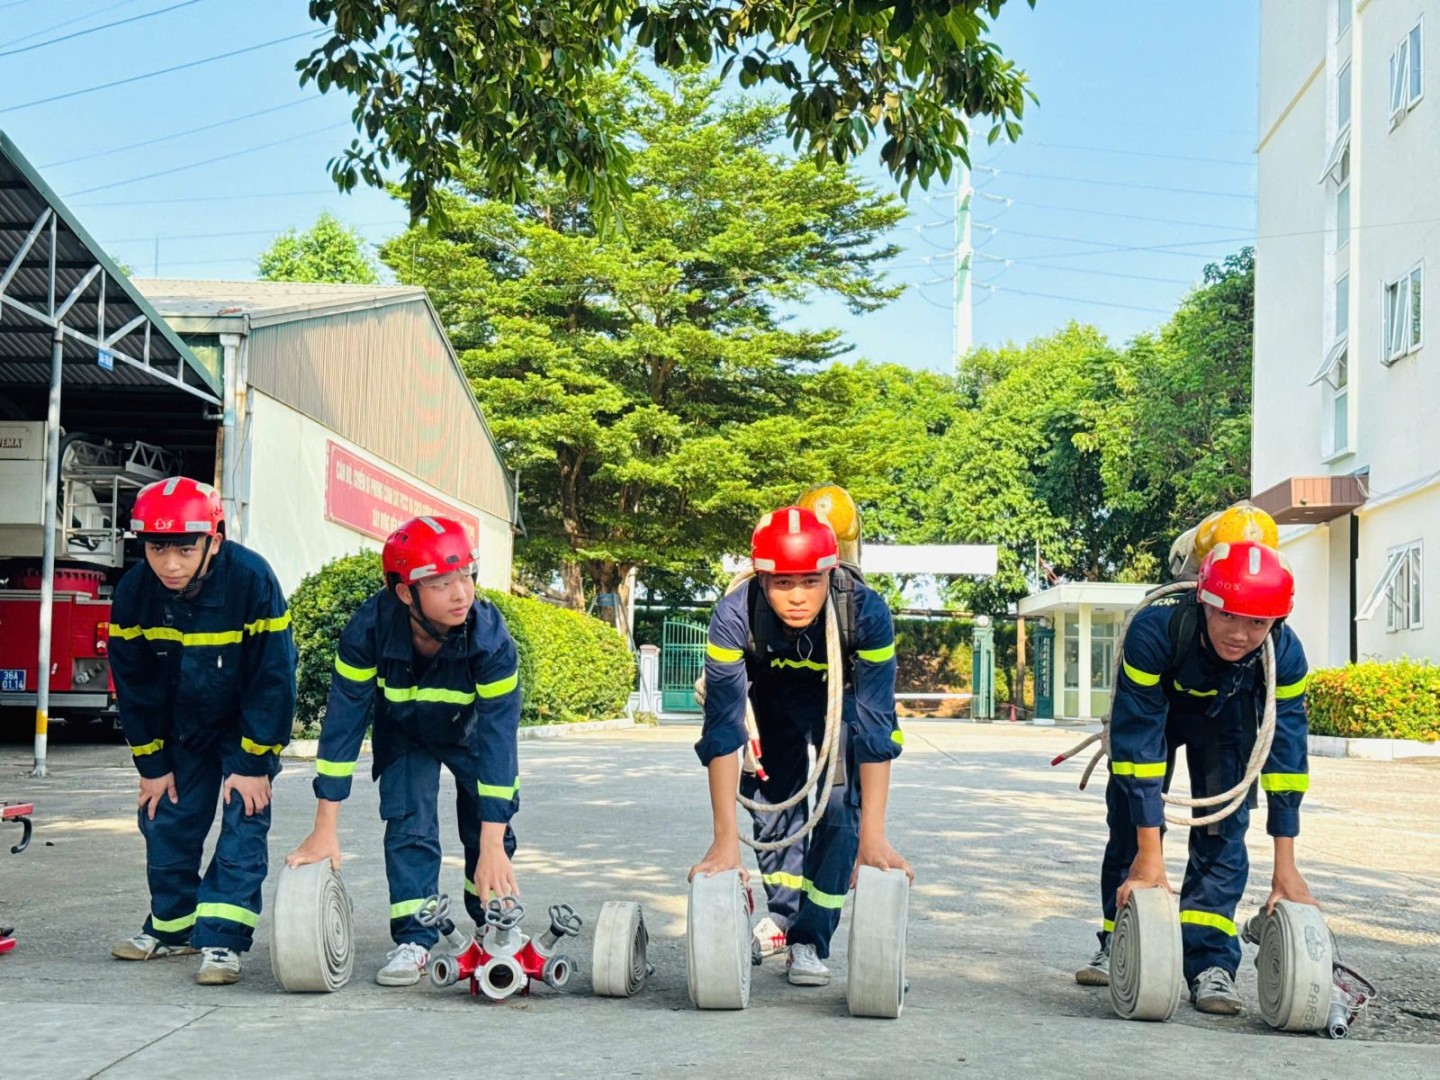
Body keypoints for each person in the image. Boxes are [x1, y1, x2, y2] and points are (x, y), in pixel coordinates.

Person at [1075, 541, 1315, 1015]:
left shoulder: (1283, 655)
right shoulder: (1156, 629)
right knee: (1130, 816)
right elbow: (1139, 752)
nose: (1240, 634)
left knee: (1225, 829)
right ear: (1204, 600)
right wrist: (1150, 856)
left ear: (1276, 623)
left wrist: (1285, 866)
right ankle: (1119, 937)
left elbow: (1286, 755)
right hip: (1156, 712)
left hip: (1226, 717)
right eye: (1228, 616)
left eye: (1257, 622)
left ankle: (1210, 964)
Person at [287, 515, 521, 987]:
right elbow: (342, 727)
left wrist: (494, 843)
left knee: (486, 832)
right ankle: (416, 937)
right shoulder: (367, 631)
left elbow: (500, 745)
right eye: (440, 582)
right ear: (404, 592)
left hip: (469, 735)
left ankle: (492, 923)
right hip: (405, 734)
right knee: (409, 824)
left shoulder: (492, 642)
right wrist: (324, 827)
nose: (461, 593)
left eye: (465, 576)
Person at [690, 505, 912, 987]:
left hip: (843, 700)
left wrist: (874, 833)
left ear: (829, 574)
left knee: (838, 810)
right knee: (772, 800)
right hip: (772, 698)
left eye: (810, 583)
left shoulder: (865, 612)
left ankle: (810, 939)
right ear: (761, 578)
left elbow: (877, 730)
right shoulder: (735, 614)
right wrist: (724, 839)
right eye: (782, 583)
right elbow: (723, 728)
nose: (796, 598)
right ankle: (784, 917)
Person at [108, 477, 296, 985]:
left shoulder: (252, 579)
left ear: (214, 537)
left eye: (185, 549)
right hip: (180, 729)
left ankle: (222, 942)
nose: (170, 563)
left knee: (242, 823)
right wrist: (152, 765)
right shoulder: (134, 593)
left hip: (244, 728)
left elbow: (273, 677)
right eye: (156, 548)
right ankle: (173, 929)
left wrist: (254, 763)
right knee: (164, 817)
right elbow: (135, 684)